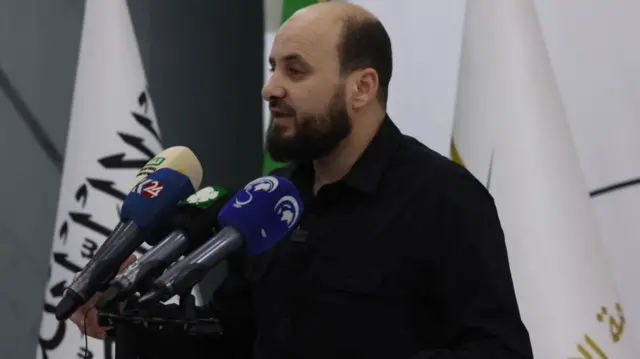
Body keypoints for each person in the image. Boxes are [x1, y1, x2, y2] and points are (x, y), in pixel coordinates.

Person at [71, 2, 534, 358]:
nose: (270, 88)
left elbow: (497, 351)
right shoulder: (268, 202)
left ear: (362, 87)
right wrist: (128, 317)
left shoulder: (445, 200)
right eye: (273, 68)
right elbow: (230, 340)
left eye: (295, 70)